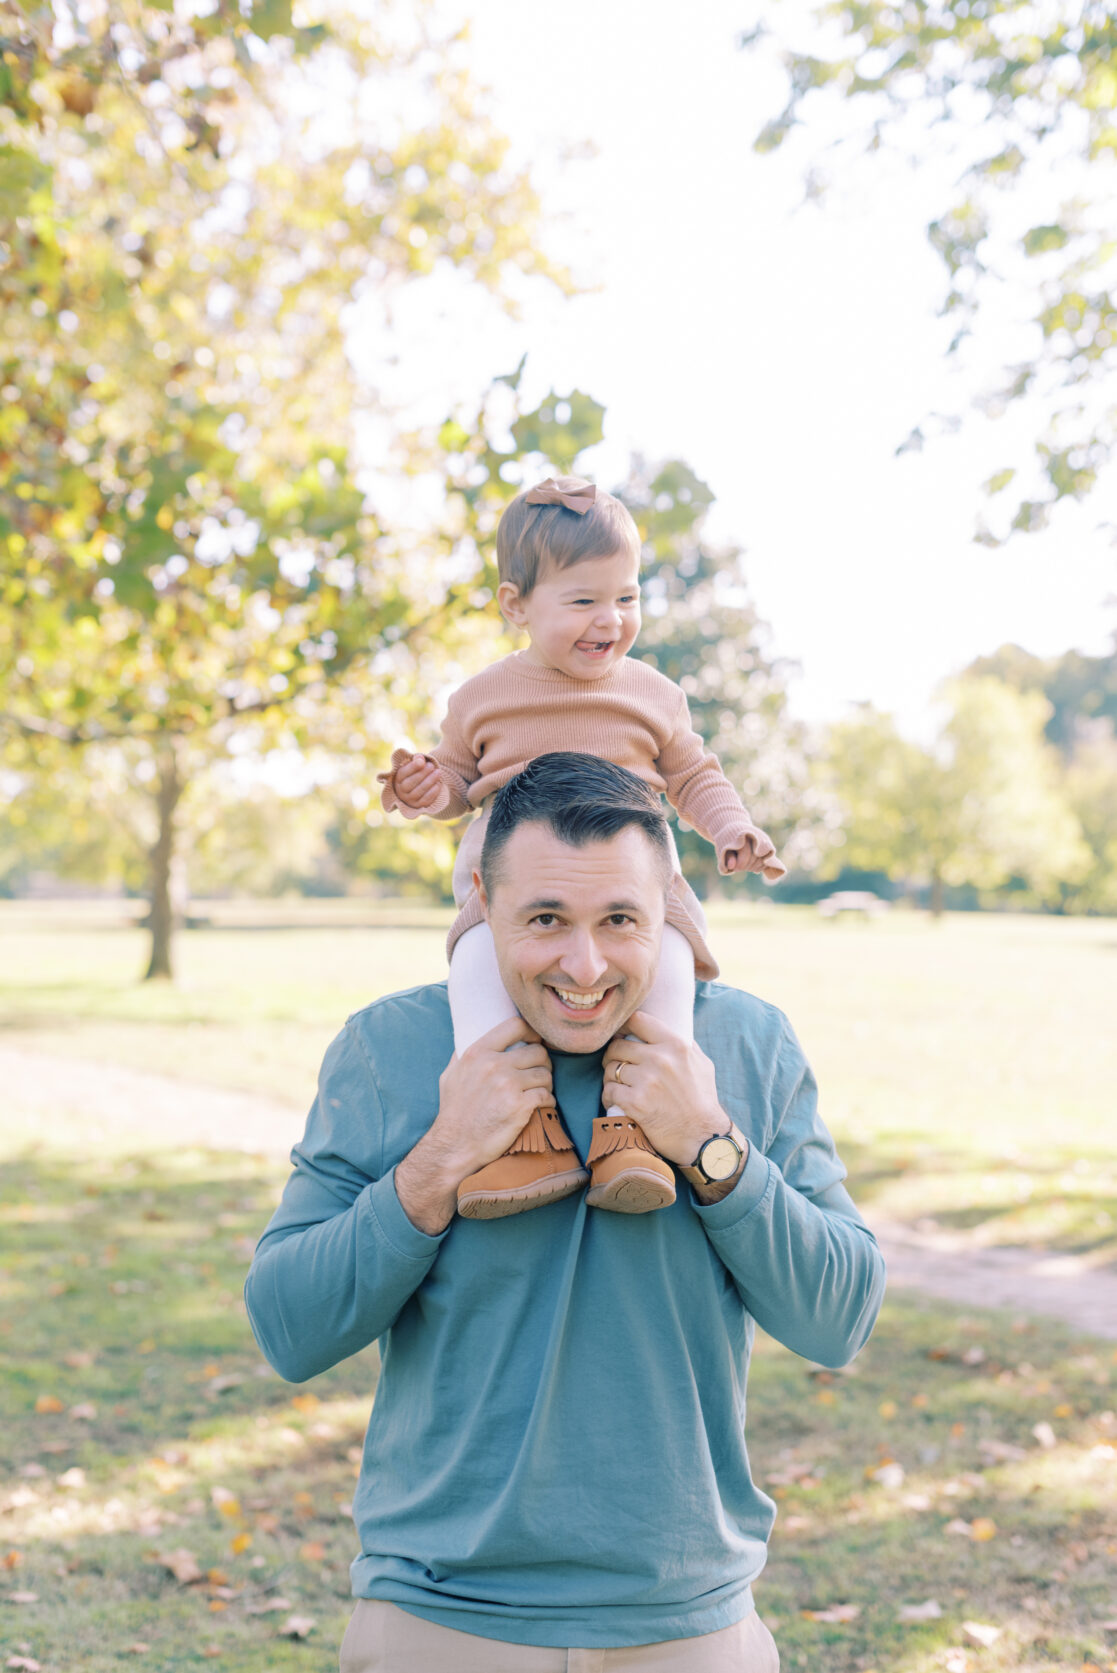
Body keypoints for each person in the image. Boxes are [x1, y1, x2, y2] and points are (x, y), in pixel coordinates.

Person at [244, 752, 887, 1673]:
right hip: (438, 1620)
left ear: (665, 910)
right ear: (481, 900)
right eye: (545, 918)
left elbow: (840, 1319)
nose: (582, 965)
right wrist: (438, 1160)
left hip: (686, 1624)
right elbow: (287, 1327)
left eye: (619, 920)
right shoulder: (391, 1047)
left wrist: (709, 1141)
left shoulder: (744, 1043)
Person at [377, 476, 787, 1222]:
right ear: (515, 605)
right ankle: (520, 1131)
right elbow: (457, 785)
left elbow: (692, 773)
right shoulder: (483, 697)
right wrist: (420, 788)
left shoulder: (652, 694)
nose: (611, 620)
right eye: (583, 602)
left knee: (663, 974)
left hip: (635, 889)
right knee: (474, 971)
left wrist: (731, 828)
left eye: (626, 598)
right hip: (509, 893)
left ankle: (630, 1129)